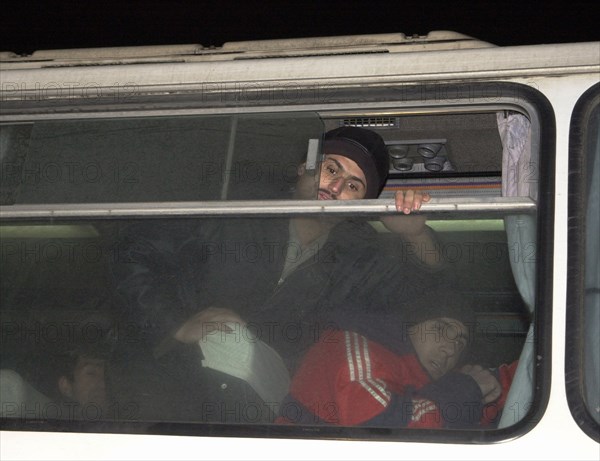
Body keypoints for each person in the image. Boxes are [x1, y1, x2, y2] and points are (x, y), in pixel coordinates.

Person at [111, 126, 442, 421]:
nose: (337, 186)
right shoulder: (238, 208)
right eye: (331, 169)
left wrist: (415, 235)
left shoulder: (358, 259)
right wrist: (175, 323)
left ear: (359, 205)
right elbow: (132, 254)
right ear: (304, 168)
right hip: (165, 395)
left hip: (265, 416)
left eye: (354, 185)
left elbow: (427, 299)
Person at [276, 291, 518, 429]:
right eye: (441, 328)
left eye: (460, 342)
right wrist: (466, 391)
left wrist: (488, 390)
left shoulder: (418, 381)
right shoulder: (351, 345)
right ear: (411, 325)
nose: (450, 348)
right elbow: (378, 424)